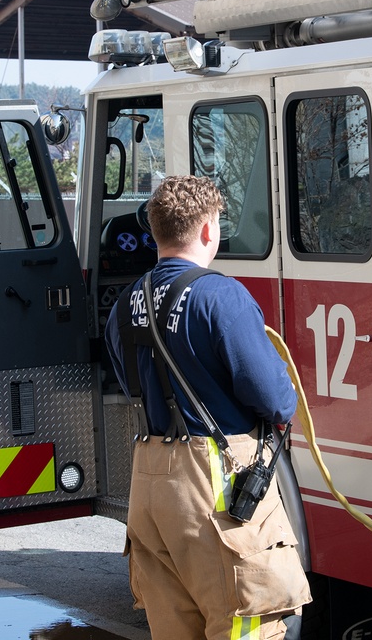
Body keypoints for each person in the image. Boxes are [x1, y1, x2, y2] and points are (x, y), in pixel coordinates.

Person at [104, 175, 310, 640]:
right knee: (245, 625)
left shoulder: (123, 305)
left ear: (156, 231)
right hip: (214, 489)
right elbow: (276, 400)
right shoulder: (222, 296)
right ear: (207, 229)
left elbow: (130, 383)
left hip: (150, 486)